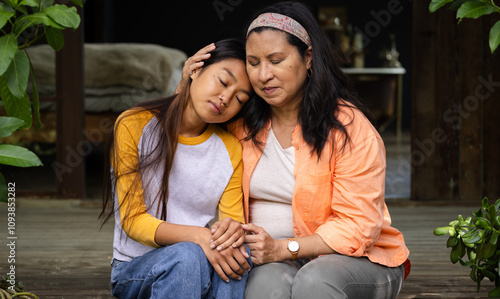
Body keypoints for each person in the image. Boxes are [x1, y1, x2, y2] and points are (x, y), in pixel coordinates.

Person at [180, 2, 411, 298]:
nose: (263, 75)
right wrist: (186, 85)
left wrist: (282, 247)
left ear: (308, 58)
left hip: (358, 260)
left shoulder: (350, 129)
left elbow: (358, 227)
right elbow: (179, 142)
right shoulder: (240, 122)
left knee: (314, 282)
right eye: (253, 62)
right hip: (269, 260)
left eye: (276, 60)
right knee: (262, 288)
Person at [99, 38, 255, 299]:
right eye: (223, 82)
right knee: (187, 255)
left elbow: (231, 222)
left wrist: (230, 232)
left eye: (240, 98)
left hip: (200, 261)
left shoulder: (230, 147)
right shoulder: (133, 125)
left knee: (239, 252)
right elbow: (133, 221)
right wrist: (199, 237)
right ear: (195, 70)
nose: (226, 98)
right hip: (136, 269)